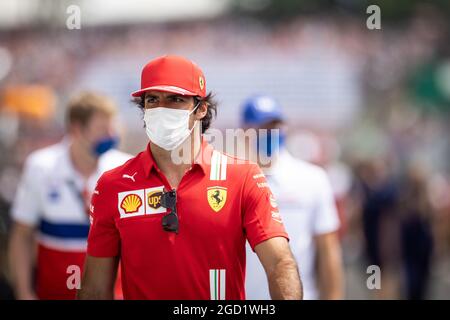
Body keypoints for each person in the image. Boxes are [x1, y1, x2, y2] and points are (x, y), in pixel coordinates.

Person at [78, 55, 302, 300]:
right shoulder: (112, 185)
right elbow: (94, 290)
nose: (162, 108)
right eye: (152, 100)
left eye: (175, 99)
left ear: (201, 109)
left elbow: (280, 264)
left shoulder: (243, 177)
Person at [8, 92, 131, 299]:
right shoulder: (41, 166)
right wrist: (24, 292)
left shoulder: (126, 168)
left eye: (112, 127)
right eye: (102, 129)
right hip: (53, 293)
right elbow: (21, 236)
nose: (110, 135)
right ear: (76, 129)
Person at [241, 95, 344, 300]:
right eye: (261, 127)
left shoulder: (312, 178)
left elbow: (328, 248)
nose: (269, 133)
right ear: (245, 132)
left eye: (274, 126)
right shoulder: (234, 180)